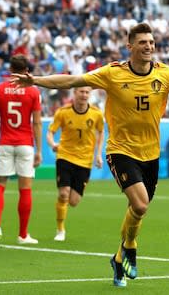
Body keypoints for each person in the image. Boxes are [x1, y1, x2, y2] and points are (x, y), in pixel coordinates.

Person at [11, 23, 169, 288]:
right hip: (121, 150)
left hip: (150, 154)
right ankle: (131, 247)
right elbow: (72, 80)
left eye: (151, 42)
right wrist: (37, 81)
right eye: (143, 42)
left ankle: (118, 259)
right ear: (130, 47)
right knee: (141, 205)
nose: (148, 46)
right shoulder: (112, 73)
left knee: (136, 210)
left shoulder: (165, 75)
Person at [0, 54, 42, 246]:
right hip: (25, 144)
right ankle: (23, 235)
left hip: (5, 142)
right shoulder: (33, 92)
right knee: (25, 188)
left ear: (10, 70)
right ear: (26, 71)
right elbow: (37, 122)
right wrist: (39, 150)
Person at [47, 86, 104, 242]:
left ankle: (64, 212)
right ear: (75, 93)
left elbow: (100, 132)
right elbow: (50, 131)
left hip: (85, 160)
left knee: (73, 201)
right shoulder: (63, 112)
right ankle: (60, 230)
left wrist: (98, 155)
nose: (84, 95)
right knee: (63, 193)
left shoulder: (96, 113)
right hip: (65, 156)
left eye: (87, 92)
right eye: (81, 92)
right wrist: (53, 143)